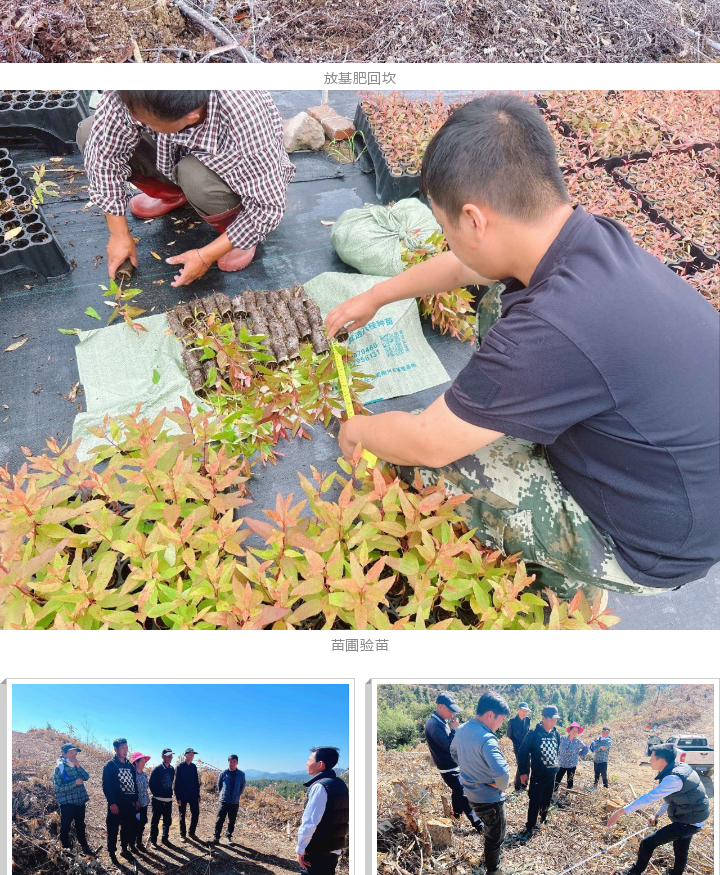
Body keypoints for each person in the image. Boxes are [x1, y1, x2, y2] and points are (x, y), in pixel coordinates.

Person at [324, 95, 720, 601]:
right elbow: (466, 268)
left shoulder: (551, 328)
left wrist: (360, 429)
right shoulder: (582, 238)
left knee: (423, 463)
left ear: (474, 220)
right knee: (496, 294)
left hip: (649, 547)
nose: (448, 241)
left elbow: (428, 442)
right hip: (678, 486)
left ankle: (576, 571)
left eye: (446, 228)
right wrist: (377, 295)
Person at [77, 87, 293, 289]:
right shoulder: (132, 91)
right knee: (90, 132)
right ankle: (175, 194)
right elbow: (104, 157)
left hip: (231, 178)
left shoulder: (245, 118)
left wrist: (205, 255)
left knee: (194, 175)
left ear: (191, 117)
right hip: (169, 155)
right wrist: (118, 233)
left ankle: (234, 230)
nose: (134, 121)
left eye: (145, 121)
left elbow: (268, 208)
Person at [610, 745, 710, 875]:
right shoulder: (680, 768)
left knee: (647, 843)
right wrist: (657, 815)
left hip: (688, 821)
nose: (650, 760)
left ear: (662, 761)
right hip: (696, 817)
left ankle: (633, 873)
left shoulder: (673, 779)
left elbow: (648, 798)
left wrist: (619, 812)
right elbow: (673, 798)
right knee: (681, 849)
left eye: (652, 758)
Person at [451, 694, 511, 875]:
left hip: (471, 794)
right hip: (489, 798)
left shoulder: (461, 730)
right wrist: (500, 786)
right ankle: (493, 870)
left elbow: (453, 752)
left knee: (488, 828)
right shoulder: (487, 738)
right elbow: (502, 775)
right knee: (496, 835)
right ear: (491, 715)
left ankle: (488, 860)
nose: (501, 725)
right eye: (501, 720)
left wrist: (470, 768)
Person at [296, 746, 350, 875]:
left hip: (316, 850)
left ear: (320, 764)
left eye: (309, 759)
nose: (306, 762)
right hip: (333, 849)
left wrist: (300, 848)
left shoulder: (320, 787)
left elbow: (310, 822)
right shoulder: (341, 785)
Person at [424, 690, 472, 822]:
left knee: (457, 792)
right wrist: (455, 729)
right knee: (463, 794)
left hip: (452, 765)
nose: (452, 713)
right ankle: (479, 826)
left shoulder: (441, 721)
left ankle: (456, 815)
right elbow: (448, 746)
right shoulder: (433, 725)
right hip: (447, 767)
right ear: (440, 706)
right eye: (450, 710)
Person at [516, 708, 561, 836]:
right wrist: (524, 773)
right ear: (543, 718)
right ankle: (530, 826)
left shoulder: (556, 734)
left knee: (547, 799)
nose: (554, 722)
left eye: (555, 719)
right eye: (551, 719)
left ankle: (543, 819)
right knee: (535, 801)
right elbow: (522, 753)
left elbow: (556, 751)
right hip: (538, 775)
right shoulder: (533, 733)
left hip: (551, 775)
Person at [101, 738, 138, 864]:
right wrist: (112, 803)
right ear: (115, 749)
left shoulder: (129, 765)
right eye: (123, 748)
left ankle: (124, 849)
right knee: (112, 829)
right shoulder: (110, 765)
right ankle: (112, 853)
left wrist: (136, 799)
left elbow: (134, 784)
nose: (125, 750)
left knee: (127, 828)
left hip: (129, 804)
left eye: (126, 748)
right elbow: (107, 786)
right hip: (116, 804)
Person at [53, 742, 92, 853]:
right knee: (65, 826)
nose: (74, 755)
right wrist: (74, 783)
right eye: (71, 753)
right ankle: (66, 849)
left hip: (80, 801)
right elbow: (58, 788)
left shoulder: (76, 766)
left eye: (75, 753)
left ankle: (84, 846)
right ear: (63, 754)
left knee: (80, 825)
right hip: (67, 802)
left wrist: (78, 765)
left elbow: (86, 777)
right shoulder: (59, 768)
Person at [214, 754, 246, 843]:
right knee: (219, 819)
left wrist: (237, 795)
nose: (232, 764)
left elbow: (242, 786)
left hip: (234, 802)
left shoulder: (241, 774)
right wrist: (223, 794)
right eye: (230, 762)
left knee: (231, 820)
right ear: (228, 762)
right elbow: (219, 786)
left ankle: (228, 836)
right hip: (224, 800)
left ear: (237, 763)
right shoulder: (223, 773)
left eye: (234, 762)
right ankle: (216, 837)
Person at [553, 723, 590, 798]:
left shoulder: (578, 742)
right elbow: (555, 744)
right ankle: (554, 793)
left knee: (570, 780)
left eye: (576, 731)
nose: (574, 732)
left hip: (572, 765)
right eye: (573, 730)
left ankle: (568, 795)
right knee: (557, 779)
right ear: (569, 730)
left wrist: (579, 754)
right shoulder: (562, 738)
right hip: (561, 764)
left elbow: (586, 749)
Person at [149, 749, 175, 846]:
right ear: (162, 756)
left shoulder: (172, 769)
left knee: (167, 821)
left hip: (168, 800)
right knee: (155, 821)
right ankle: (153, 841)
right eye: (168, 756)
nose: (170, 758)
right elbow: (151, 784)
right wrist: (157, 794)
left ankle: (165, 839)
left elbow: (171, 781)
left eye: (171, 756)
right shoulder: (157, 769)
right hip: (158, 800)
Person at [175, 749, 201, 841]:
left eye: (192, 755)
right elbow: (177, 783)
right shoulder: (180, 767)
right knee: (182, 814)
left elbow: (196, 782)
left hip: (193, 794)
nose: (191, 757)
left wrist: (198, 795)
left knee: (196, 813)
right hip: (183, 795)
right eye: (190, 755)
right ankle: (183, 834)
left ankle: (191, 832)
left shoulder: (193, 767)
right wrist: (178, 797)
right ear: (185, 755)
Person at [507, 705, 532, 792]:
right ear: (518, 709)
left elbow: (528, 731)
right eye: (523, 710)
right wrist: (516, 743)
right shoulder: (512, 721)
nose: (525, 713)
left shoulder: (528, 720)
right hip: (517, 746)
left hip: (526, 745)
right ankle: (517, 785)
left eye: (526, 711)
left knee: (528, 764)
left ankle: (524, 784)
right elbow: (509, 735)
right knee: (520, 765)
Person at [131, 754, 151, 848]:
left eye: (144, 762)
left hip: (144, 803)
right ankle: (132, 844)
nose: (144, 764)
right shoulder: (132, 774)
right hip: (136, 804)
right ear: (136, 762)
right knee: (135, 824)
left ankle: (139, 842)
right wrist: (135, 800)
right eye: (142, 761)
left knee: (142, 822)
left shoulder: (144, 774)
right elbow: (131, 789)